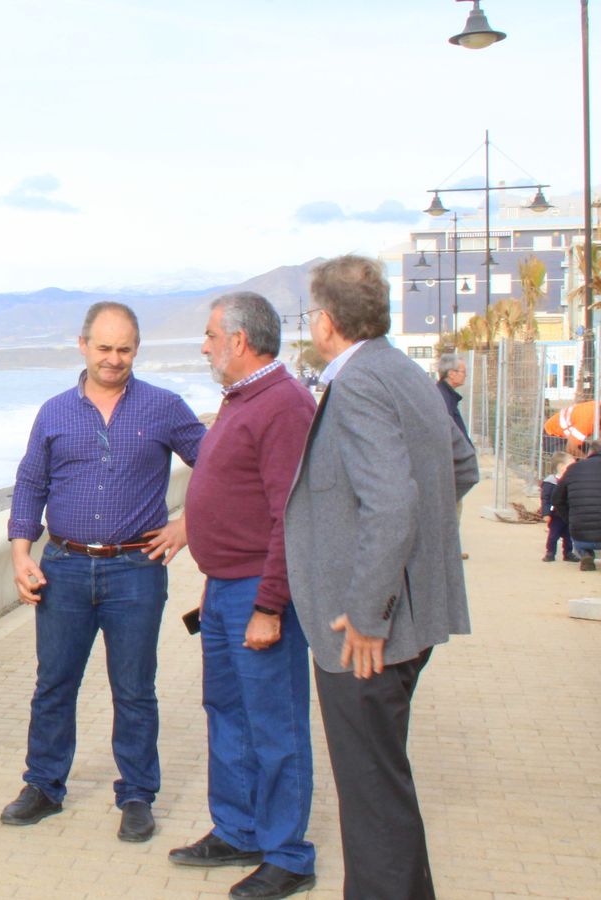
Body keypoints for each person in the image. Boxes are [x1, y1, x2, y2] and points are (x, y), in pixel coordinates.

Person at [284, 254, 475, 900]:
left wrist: (370, 610)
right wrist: (419, 570)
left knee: (371, 804)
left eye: (312, 313)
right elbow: (461, 465)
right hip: (403, 620)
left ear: (328, 321)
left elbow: (392, 502)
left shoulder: (360, 381)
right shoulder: (404, 370)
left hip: (363, 630)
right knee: (384, 791)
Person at [0, 301, 205, 842]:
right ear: (83, 345)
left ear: (136, 349)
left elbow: (217, 465)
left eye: (125, 349)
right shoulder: (54, 412)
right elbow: (30, 485)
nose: (114, 360)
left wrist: (187, 527)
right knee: (54, 684)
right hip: (63, 567)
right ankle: (43, 786)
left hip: (136, 569)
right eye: (104, 348)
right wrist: (22, 554)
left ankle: (137, 794)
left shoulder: (164, 407)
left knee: (134, 688)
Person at [172, 292, 316, 900]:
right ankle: (238, 829)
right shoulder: (240, 399)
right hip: (227, 589)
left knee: (274, 727)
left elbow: (291, 514)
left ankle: (288, 855)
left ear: (239, 340)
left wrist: (269, 605)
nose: (204, 347)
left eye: (210, 336)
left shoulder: (283, 404)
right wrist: (214, 584)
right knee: (226, 714)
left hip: (260, 592)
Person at [554, 441, 601, 570]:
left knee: (580, 541)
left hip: (580, 531)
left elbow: (557, 499)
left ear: (589, 453)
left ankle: (585, 554)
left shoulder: (573, 469)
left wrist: (570, 520)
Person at [541, 453, 578, 563]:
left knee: (568, 535)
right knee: (554, 534)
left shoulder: (570, 481)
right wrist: (546, 513)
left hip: (568, 513)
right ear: (562, 467)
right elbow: (545, 499)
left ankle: (568, 553)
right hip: (555, 515)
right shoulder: (551, 482)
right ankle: (550, 552)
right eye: (571, 465)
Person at [436, 352, 470, 440]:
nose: (466, 375)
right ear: (451, 374)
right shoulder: (443, 398)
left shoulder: (445, 395)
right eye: (463, 372)